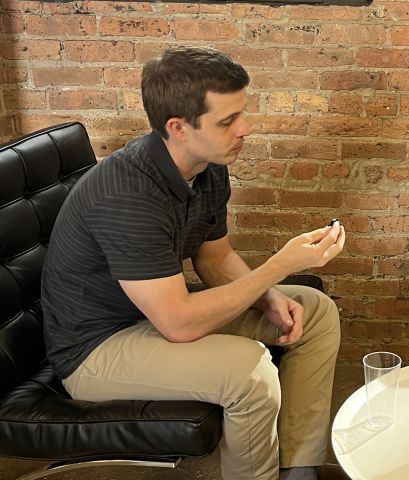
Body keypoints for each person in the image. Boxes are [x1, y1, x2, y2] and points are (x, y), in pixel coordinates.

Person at [41, 46, 345, 480]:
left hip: (152, 315)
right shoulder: (127, 193)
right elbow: (179, 324)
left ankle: (298, 469)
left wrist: (269, 297)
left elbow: (215, 256)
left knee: (313, 311)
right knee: (249, 374)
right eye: (227, 121)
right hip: (95, 349)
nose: (245, 129)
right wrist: (277, 266)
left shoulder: (207, 163)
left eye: (242, 113)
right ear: (178, 127)